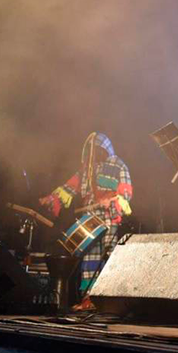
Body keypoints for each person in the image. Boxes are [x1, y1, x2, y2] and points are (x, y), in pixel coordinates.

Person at [40, 132, 133, 311]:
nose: (93, 155)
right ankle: (88, 299)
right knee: (89, 257)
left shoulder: (118, 165)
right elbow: (69, 188)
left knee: (107, 257)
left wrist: (113, 198)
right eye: (90, 151)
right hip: (90, 217)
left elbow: (126, 193)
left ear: (104, 149)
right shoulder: (87, 169)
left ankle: (103, 299)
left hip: (109, 217)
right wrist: (53, 198)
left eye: (96, 150)